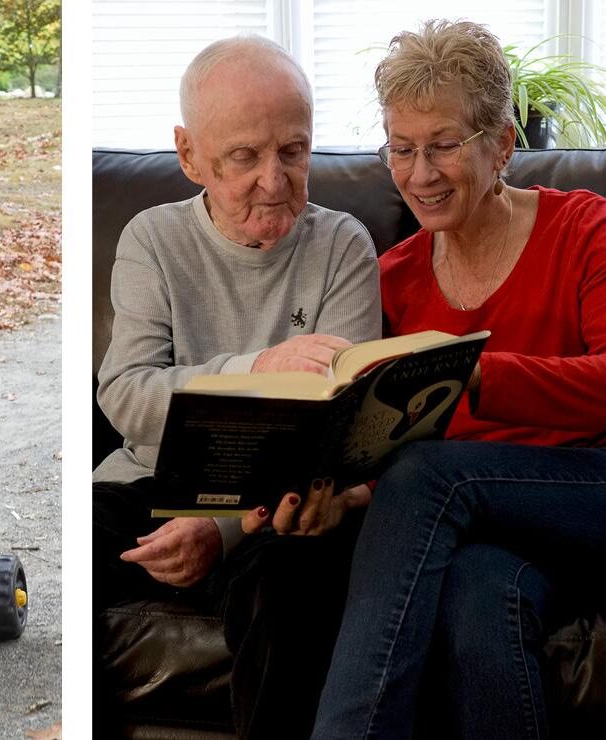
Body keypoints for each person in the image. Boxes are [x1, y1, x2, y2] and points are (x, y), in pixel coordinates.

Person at [308, 20, 606, 739]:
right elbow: (384, 437)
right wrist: (345, 495)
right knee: (477, 596)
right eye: (402, 149)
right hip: (485, 530)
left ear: (501, 143)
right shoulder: (394, 280)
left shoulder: (585, 229)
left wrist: (470, 373)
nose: (420, 174)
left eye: (443, 146)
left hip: (588, 490)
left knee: (429, 476)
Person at [92, 35, 382, 736]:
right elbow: (127, 394)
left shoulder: (343, 244)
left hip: (273, 506)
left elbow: (346, 436)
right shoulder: (152, 240)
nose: (274, 181)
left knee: (295, 579)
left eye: (293, 151)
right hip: (147, 485)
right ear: (189, 155)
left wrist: (220, 531)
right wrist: (259, 368)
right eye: (244, 157)